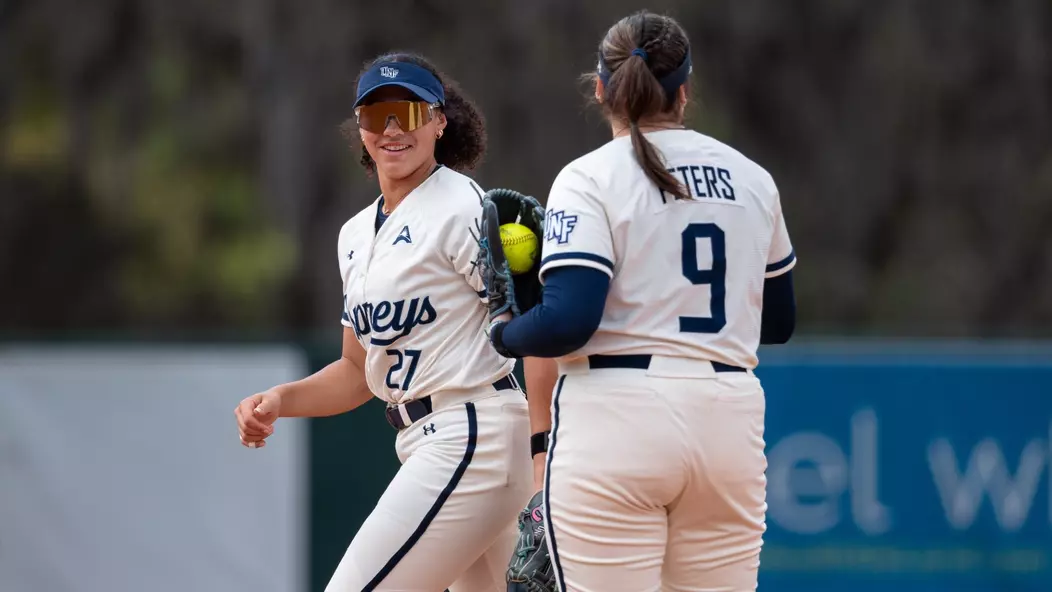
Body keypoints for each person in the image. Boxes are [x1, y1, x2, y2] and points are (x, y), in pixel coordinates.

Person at [488, 11, 797, 592]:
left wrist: (505, 329)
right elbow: (777, 322)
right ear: (684, 90)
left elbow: (568, 324)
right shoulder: (753, 178)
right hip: (727, 419)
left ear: (601, 88)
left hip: (617, 418)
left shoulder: (588, 177)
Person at [233, 52, 550, 592]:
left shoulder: (463, 208)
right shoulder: (354, 236)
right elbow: (357, 371)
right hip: (432, 440)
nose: (391, 129)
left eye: (407, 111)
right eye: (375, 116)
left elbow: (539, 325)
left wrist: (544, 452)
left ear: (439, 121)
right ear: (359, 129)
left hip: (475, 432)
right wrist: (282, 399)